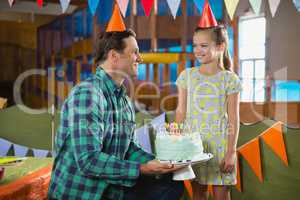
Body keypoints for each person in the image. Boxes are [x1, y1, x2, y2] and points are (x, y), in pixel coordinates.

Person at [48, 29, 183, 200]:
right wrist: (143, 168)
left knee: (170, 181)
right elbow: (88, 160)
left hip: (112, 188)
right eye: (135, 52)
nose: (140, 58)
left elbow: (129, 149)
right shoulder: (88, 94)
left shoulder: (124, 101)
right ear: (114, 56)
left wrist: (159, 163)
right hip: (83, 194)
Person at [175, 24, 242, 200]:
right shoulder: (187, 76)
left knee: (221, 194)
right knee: (198, 193)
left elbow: (233, 118)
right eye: (195, 45)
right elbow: (181, 110)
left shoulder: (230, 79)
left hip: (220, 147)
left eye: (203, 46)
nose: (197, 50)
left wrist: (231, 152)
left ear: (220, 46)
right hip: (194, 145)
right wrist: (177, 141)